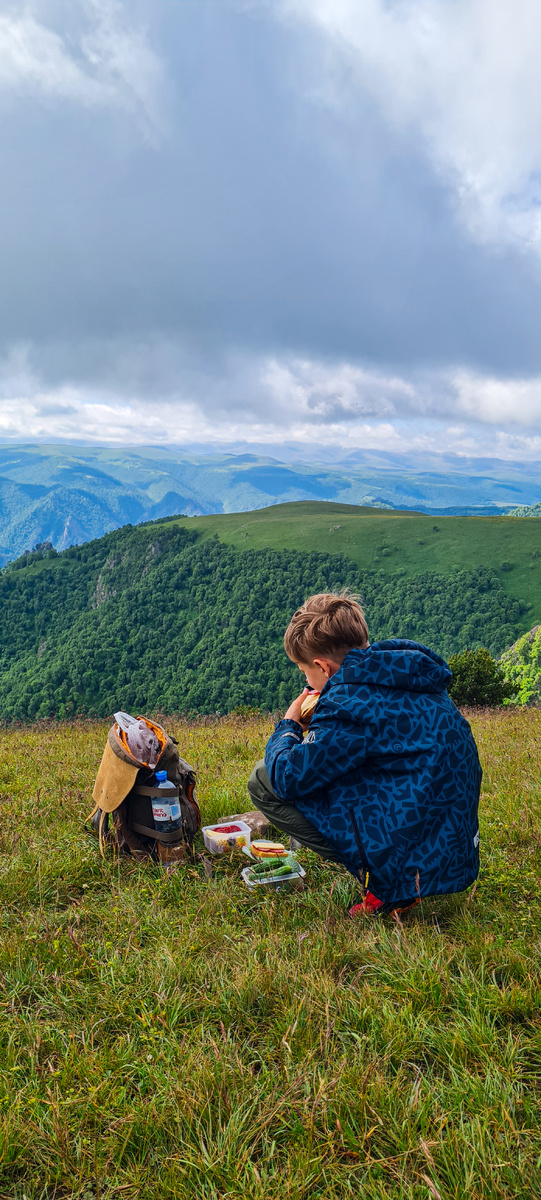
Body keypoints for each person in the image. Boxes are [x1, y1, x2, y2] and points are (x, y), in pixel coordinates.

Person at [247, 592, 481, 918]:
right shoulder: (405, 671)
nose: (306, 680)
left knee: (263, 778)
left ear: (322, 667)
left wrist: (288, 725)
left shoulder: (349, 704)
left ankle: (386, 888)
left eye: (305, 673)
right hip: (455, 844)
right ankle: (398, 875)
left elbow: (287, 777)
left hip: (414, 850)